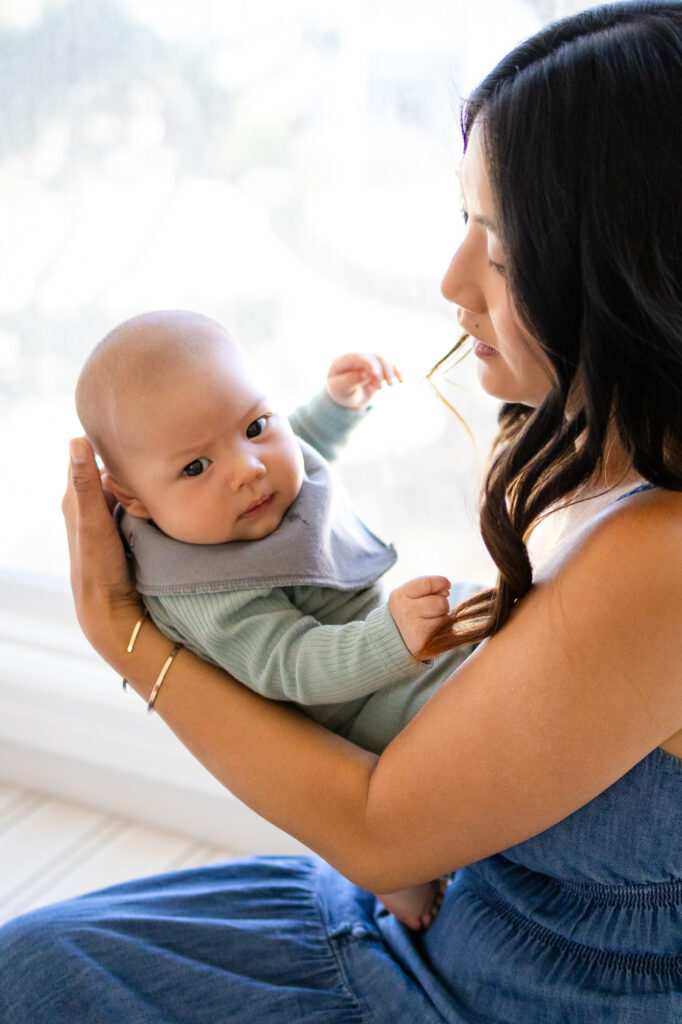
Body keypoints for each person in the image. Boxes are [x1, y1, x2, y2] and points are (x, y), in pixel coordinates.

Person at [2, 1, 681, 1020]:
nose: (450, 280)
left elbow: (376, 824)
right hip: (445, 902)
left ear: (631, 267)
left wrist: (127, 641)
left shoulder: (660, 557)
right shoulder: (598, 444)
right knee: (35, 960)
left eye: (499, 249)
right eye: (464, 222)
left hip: (491, 981)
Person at [75, 311, 478, 928]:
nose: (247, 468)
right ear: (130, 500)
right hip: (348, 715)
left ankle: (402, 874)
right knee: (473, 677)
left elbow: (300, 457)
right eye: (194, 467)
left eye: (256, 424)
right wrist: (392, 638)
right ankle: (397, 873)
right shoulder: (200, 584)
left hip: (370, 654)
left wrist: (338, 406)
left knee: (480, 614)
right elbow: (294, 667)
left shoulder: (237, 491)